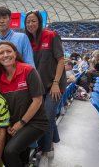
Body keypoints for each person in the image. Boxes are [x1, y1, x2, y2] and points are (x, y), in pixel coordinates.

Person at [0, 41, 48, 167]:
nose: (5, 55)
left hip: (35, 122)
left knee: (10, 151)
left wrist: (21, 123)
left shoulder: (28, 70)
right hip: (13, 122)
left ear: (15, 54)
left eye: (9, 51)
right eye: (1, 53)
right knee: (0, 150)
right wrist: (7, 124)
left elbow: (37, 100)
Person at [25, 10, 66, 167]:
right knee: (47, 118)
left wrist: (56, 82)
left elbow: (61, 60)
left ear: (39, 22)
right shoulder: (29, 40)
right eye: (28, 21)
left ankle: (45, 150)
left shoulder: (51, 35)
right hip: (39, 87)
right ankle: (53, 142)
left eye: (33, 21)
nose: (30, 24)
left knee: (46, 119)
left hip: (54, 86)